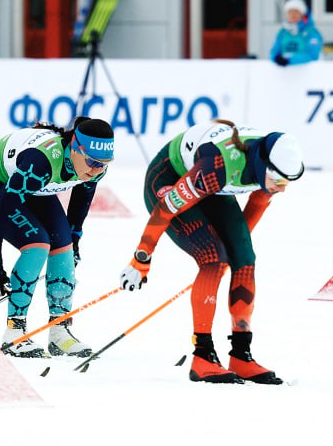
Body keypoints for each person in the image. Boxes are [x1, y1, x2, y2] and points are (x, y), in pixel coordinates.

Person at [118, 119, 305, 385]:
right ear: (263, 165)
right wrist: (141, 258)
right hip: (169, 177)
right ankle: (202, 355)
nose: (281, 187)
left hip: (213, 188)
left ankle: (241, 354)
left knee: (245, 259)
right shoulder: (218, 167)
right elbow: (166, 208)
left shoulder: (272, 166)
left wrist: (238, 252)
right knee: (213, 259)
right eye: (277, 180)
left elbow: (258, 203)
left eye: (288, 182)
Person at [0, 118, 115, 358]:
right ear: (74, 148)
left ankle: (60, 331)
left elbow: (79, 208)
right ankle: (14, 334)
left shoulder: (93, 168)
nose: (97, 169)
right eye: (91, 161)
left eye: (104, 164)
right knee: (37, 244)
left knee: (63, 246)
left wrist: (74, 244)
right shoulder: (42, 162)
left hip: (34, 185)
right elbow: (0, 214)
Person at [269, 0, 322, 66]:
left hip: (307, 74)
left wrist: (289, 60)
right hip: (284, 74)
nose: (293, 15)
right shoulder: (282, 33)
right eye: (290, 12)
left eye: (296, 11)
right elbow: (274, 52)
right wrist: (276, 58)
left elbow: (312, 55)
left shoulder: (311, 32)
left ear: (302, 14)